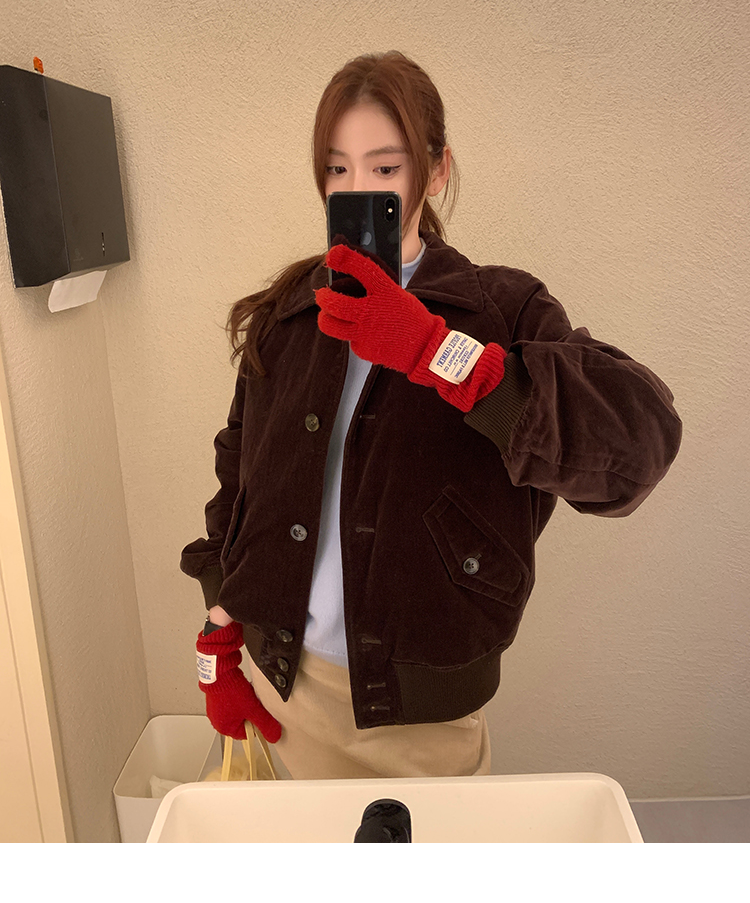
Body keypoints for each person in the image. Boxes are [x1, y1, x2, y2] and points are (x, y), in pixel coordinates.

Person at [181, 50, 683, 781]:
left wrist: (440, 352)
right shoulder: (288, 315)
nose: (358, 189)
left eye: (386, 168)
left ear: (436, 170)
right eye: (338, 168)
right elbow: (241, 476)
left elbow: (639, 450)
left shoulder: (501, 310)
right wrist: (218, 642)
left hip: (419, 720)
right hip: (276, 687)